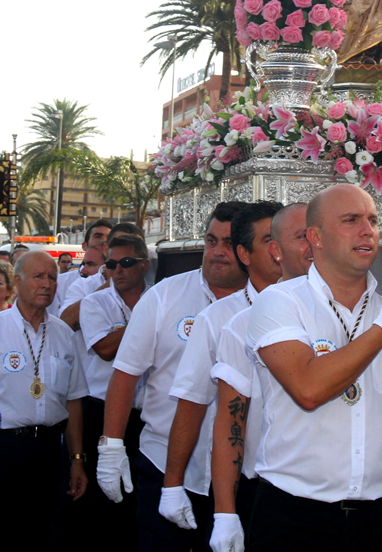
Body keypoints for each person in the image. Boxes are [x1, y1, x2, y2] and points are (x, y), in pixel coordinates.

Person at [243, 184, 382, 551]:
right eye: (351, 220)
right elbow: (309, 389)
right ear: (316, 237)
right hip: (294, 516)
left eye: (373, 221)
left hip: (379, 516)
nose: (367, 230)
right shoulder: (281, 301)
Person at [97, 201, 249, 551]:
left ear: (247, 249)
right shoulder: (164, 296)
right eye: (211, 241)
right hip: (162, 462)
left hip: (238, 474)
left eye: (228, 244)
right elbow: (125, 374)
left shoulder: (268, 301)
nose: (217, 253)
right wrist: (111, 447)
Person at [165, 202, 282, 547]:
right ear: (246, 254)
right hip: (250, 484)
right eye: (269, 241)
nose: (282, 250)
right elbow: (192, 402)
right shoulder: (217, 319)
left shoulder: (316, 306)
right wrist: (172, 485)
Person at [0, 251, 87, 551]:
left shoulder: (64, 335)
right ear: (17, 281)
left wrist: (77, 460)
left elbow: (74, 401)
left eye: (52, 277)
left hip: (46, 453)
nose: (47, 284)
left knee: (39, 536)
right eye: (38, 276)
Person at [208, 202, 312, 551]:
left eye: (318, 233)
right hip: (272, 489)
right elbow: (228, 421)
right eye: (302, 236)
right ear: (275, 250)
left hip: (359, 496)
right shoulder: (241, 323)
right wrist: (225, 513)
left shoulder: (363, 309)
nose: (313, 244)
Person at [68, 234, 151, 548]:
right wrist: (146, 322)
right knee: (100, 496)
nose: (119, 270)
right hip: (100, 412)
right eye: (112, 264)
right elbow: (104, 349)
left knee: (138, 495)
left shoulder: (159, 297)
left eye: (127, 263)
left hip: (145, 415)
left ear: (144, 264)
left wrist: (125, 330)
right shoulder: (94, 303)